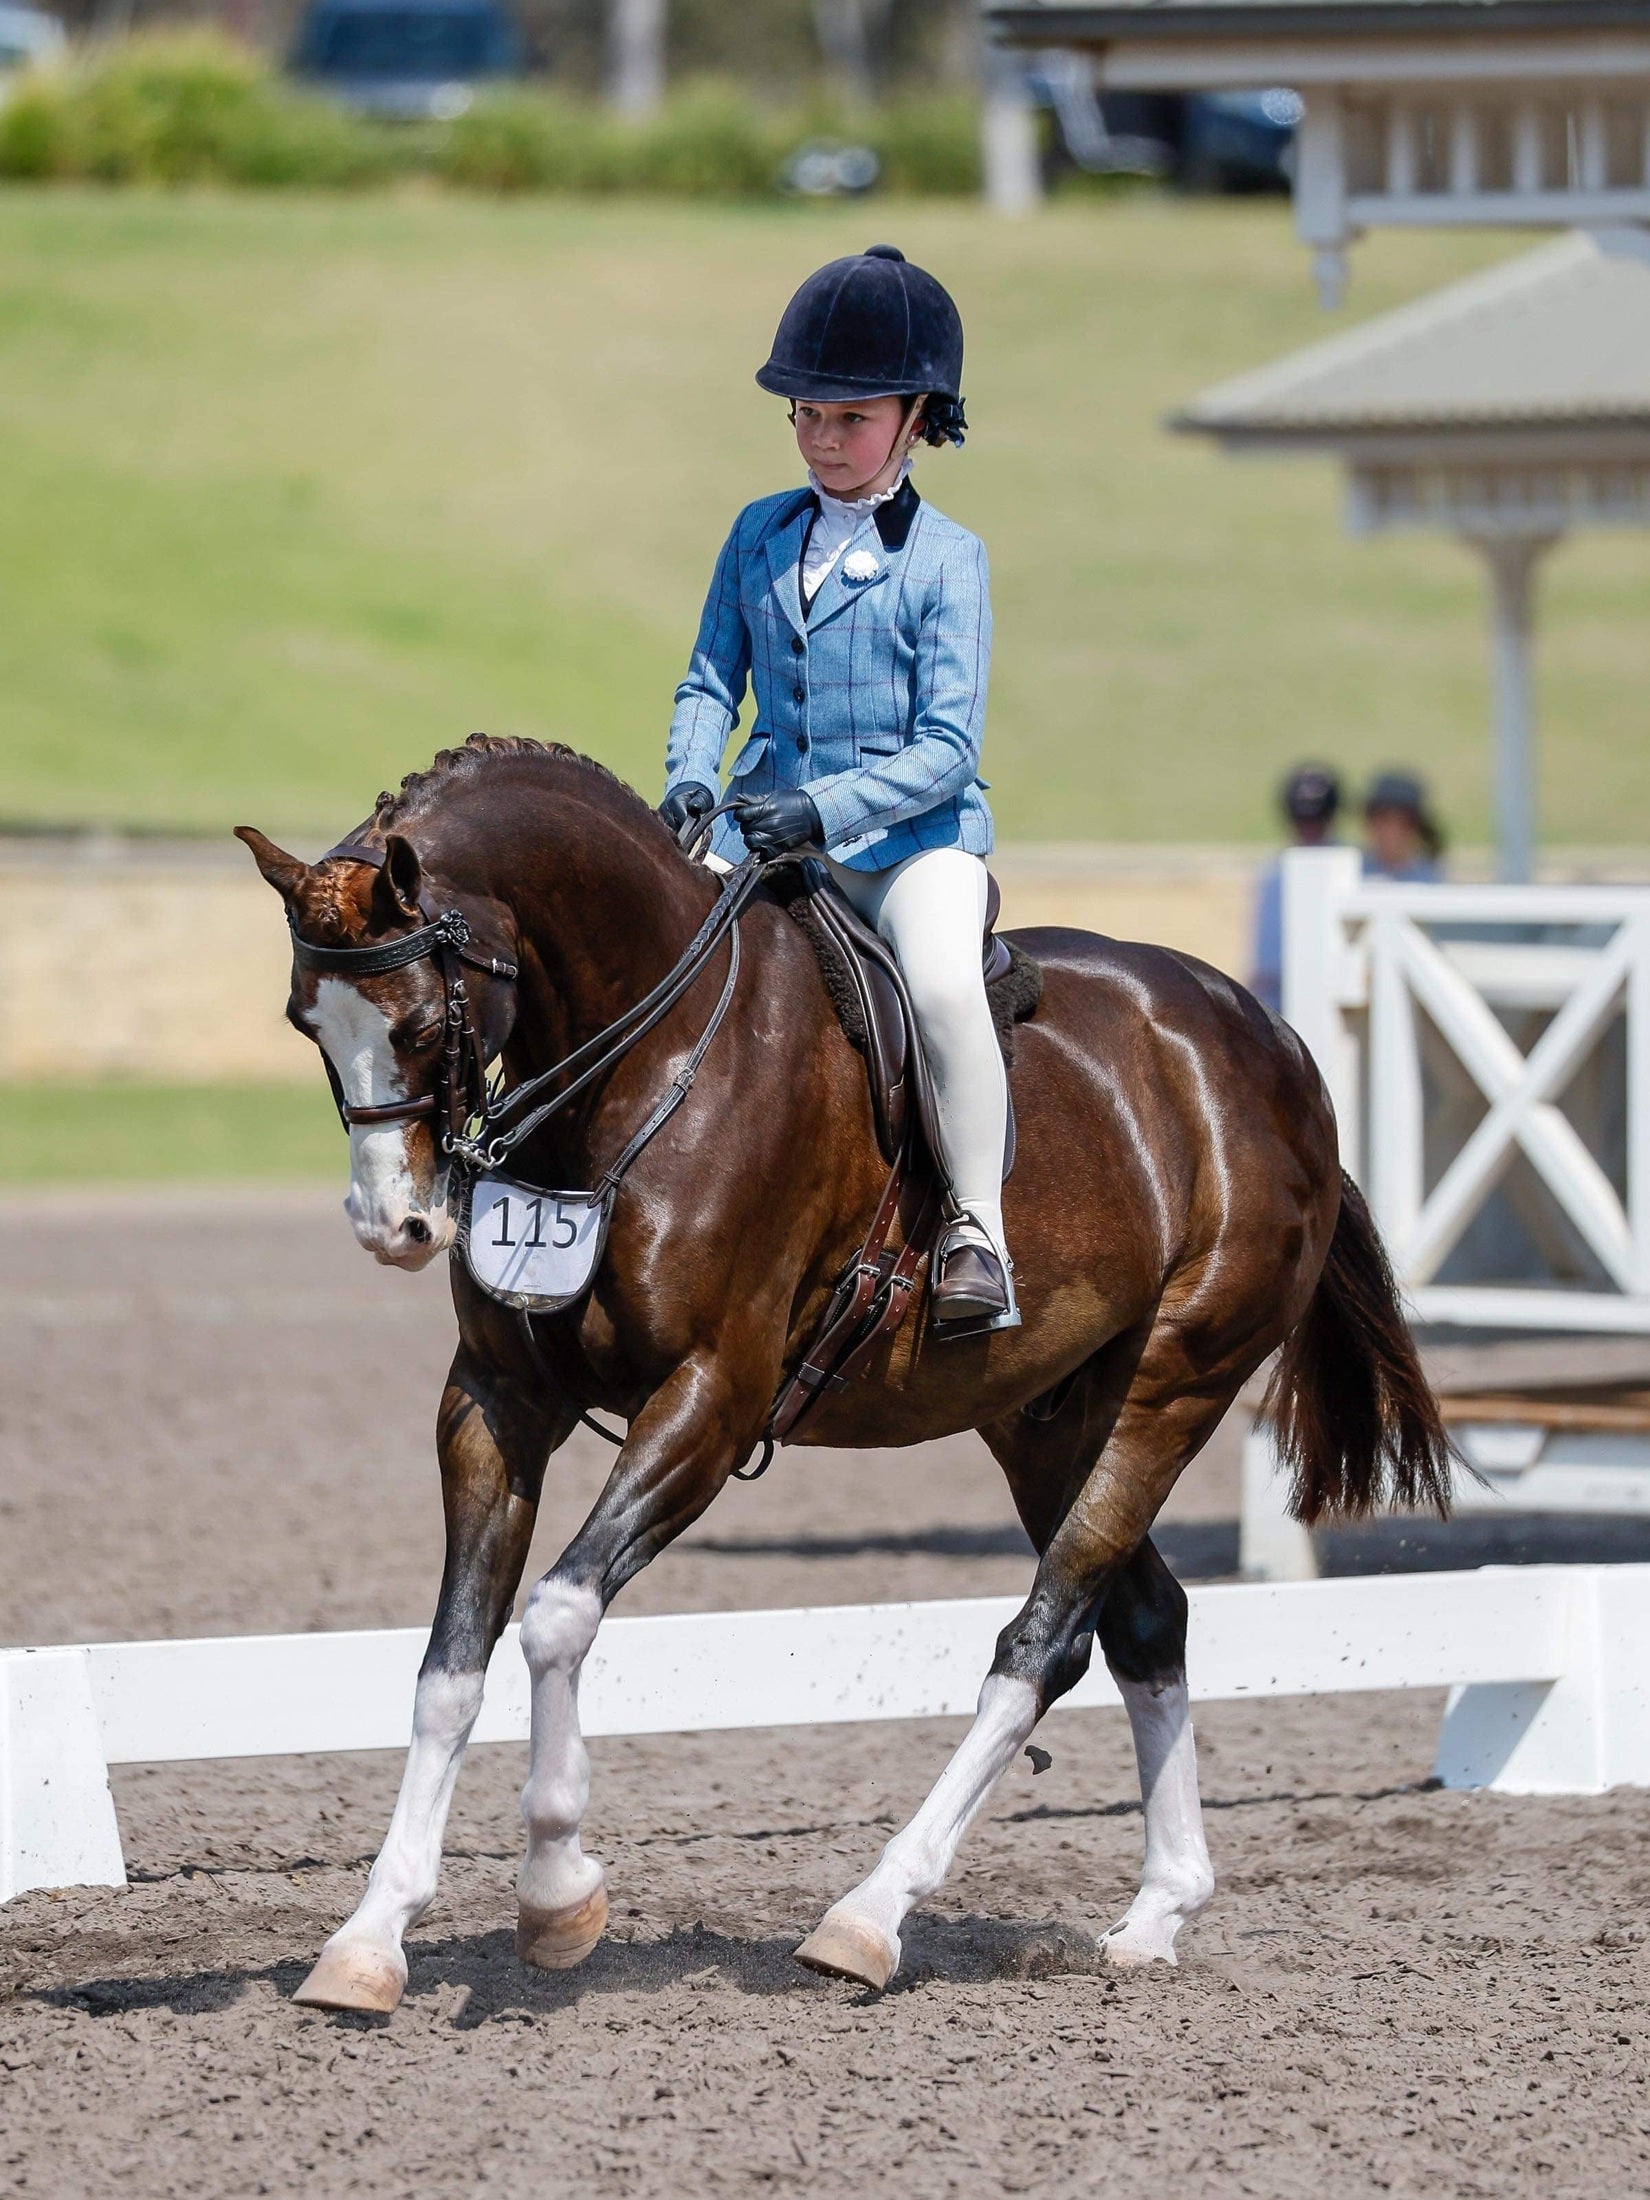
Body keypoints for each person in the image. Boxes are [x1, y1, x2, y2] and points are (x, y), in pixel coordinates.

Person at [658, 243, 1013, 1331]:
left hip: (911, 845)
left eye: (851, 419)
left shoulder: (949, 559)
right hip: (762, 824)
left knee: (948, 989)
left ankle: (977, 1231)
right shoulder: (757, 533)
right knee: (653, 954)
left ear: (916, 419)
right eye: (808, 415)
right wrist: (685, 780)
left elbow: (947, 747)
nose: (824, 438)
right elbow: (713, 677)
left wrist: (824, 810)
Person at [1248, 763, 1342, 1015]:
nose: (1309, 830)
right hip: (1286, 1006)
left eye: (1316, 821)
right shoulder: (1274, 874)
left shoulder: (1275, 873)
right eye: (1304, 821)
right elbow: (1266, 969)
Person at [1362, 769, 1445, 882]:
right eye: (1384, 819)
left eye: (1404, 823)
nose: (1392, 831)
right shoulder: (1350, 875)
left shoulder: (1431, 880)